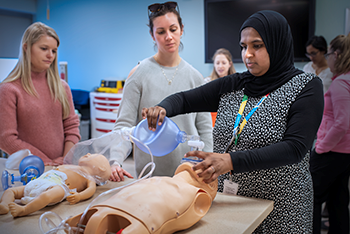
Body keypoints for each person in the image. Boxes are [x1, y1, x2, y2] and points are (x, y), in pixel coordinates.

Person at [142, 10, 324, 233]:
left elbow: (295, 148)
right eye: (243, 46)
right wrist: (162, 108)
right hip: (235, 202)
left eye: (257, 45)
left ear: (277, 43)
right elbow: (184, 99)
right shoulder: (236, 84)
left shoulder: (305, 86)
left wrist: (231, 161)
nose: (247, 54)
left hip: (283, 207)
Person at [110, 1, 213, 181]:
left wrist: (209, 162)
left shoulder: (195, 77)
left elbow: (205, 128)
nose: (168, 36)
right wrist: (115, 161)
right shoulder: (138, 74)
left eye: (173, 29)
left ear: (181, 29)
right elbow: (123, 125)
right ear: (152, 35)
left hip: (188, 174)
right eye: (161, 31)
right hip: (149, 174)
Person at [0, 22, 80, 166]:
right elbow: (6, 139)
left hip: (61, 167)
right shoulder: (9, 90)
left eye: (54, 51)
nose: (50, 55)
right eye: (44, 49)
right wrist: (45, 161)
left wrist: (65, 160)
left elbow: (72, 128)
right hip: (28, 168)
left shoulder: (62, 87)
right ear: (26, 48)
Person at [65, 161, 217, 233]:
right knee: (84, 222)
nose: (201, 168)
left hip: (141, 220)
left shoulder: (196, 195)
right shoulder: (156, 178)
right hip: (114, 205)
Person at [310, 33, 350, 234]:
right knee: (338, 201)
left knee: (312, 197)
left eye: (330, 55)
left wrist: (321, 147)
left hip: (331, 152)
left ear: (338, 55)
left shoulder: (340, 83)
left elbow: (342, 123)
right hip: (344, 154)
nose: (329, 60)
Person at [0, 153, 111, 218]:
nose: (88, 154)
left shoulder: (89, 177)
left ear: (101, 169)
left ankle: (24, 210)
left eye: (92, 156)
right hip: (40, 181)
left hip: (58, 186)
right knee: (12, 191)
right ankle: (5, 204)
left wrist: (79, 196)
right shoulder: (72, 165)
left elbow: (91, 190)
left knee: (48, 196)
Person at [204, 48, 236, 126]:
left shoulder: (236, 83)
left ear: (229, 64)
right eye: (217, 63)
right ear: (214, 64)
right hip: (211, 123)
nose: (220, 66)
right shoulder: (207, 82)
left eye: (224, 63)